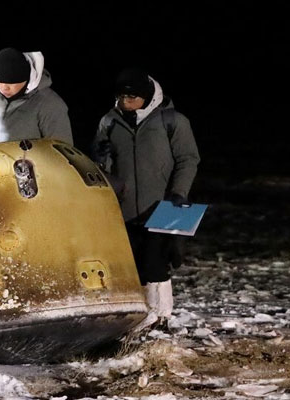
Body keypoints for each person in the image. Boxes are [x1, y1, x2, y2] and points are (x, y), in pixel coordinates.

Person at [91, 67, 200, 330]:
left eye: (131, 98)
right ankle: (141, 317)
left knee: (157, 263)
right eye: (121, 97)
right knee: (134, 264)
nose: (125, 103)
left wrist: (179, 192)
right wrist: (100, 156)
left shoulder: (172, 121)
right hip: (125, 208)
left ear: (146, 97)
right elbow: (99, 164)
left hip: (163, 203)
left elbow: (188, 159)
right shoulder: (109, 121)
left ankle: (161, 316)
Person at [0, 47, 73, 145]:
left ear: (26, 80)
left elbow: (61, 151)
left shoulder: (50, 104)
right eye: (0, 82)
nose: (4, 88)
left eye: (11, 83)